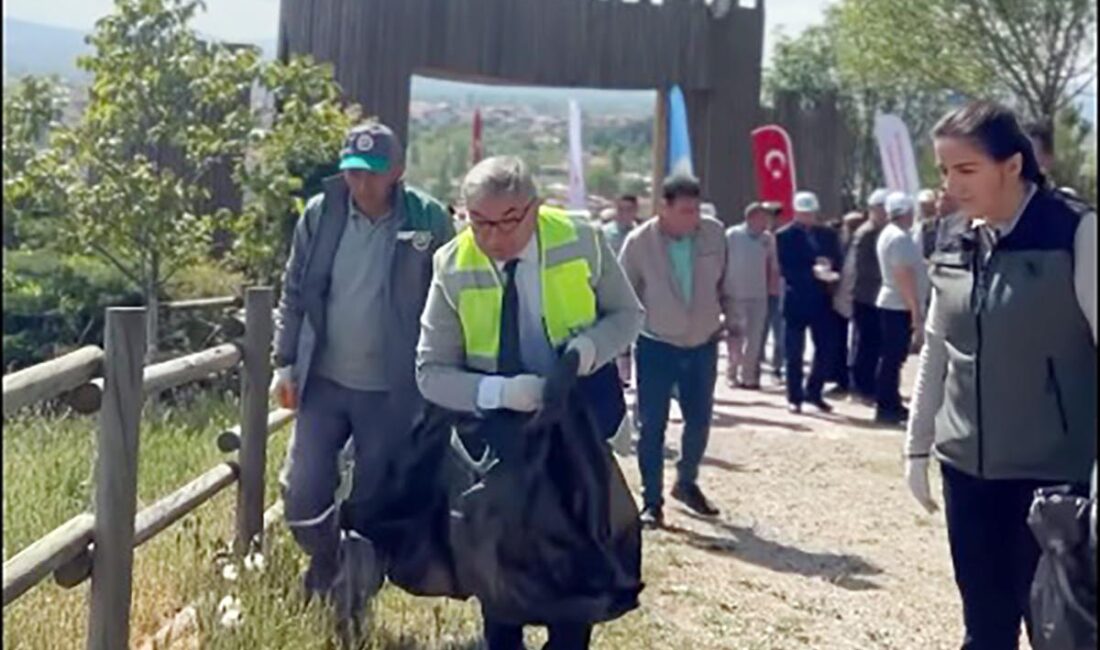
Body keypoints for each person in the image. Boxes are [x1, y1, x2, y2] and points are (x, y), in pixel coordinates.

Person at [416, 155, 643, 650]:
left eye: (507, 221)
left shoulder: (581, 241)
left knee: (577, 565)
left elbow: (627, 315)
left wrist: (586, 352)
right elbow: (430, 373)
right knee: (502, 579)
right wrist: (500, 392)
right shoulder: (452, 264)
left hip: (578, 428)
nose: (493, 236)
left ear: (535, 208)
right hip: (500, 439)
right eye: (479, 222)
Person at [904, 100, 1096, 649]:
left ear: (1013, 165)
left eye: (966, 170)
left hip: (1055, 480)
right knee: (984, 629)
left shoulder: (1075, 235)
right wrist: (918, 448)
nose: (951, 185)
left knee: (1058, 632)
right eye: (944, 171)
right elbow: (938, 349)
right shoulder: (951, 239)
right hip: (966, 470)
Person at [270, 122, 455, 619]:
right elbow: (293, 292)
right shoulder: (322, 214)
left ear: (398, 171)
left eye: (373, 174)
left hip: (393, 392)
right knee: (302, 493)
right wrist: (283, 362)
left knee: (374, 501)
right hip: (324, 381)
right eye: (352, 172)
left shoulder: (429, 219)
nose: (362, 184)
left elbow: (455, 299)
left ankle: (350, 605)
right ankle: (330, 558)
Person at [619, 173, 737, 528]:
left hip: (702, 342)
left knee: (699, 419)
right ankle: (651, 501)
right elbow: (625, 294)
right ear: (663, 208)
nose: (693, 218)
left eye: (696, 209)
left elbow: (726, 282)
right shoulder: (640, 243)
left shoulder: (714, 234)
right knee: (652, 425)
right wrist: (623, 345)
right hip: (657, 345)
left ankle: (686, 482)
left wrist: (732, 321)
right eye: (685, 211)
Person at [774, 191, 837, 414]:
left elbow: (836, 258)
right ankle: (795, 396)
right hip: (796, 300)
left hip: (821, 300)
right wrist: (812, 273)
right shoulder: (784, 236)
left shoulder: (827, 234)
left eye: (811, 213)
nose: (808, 218)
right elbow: (786, 269)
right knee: (794, 352)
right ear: (796, 212)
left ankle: (814, 392)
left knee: (824, 349)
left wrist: (831, 271)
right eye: (804, 213)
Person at [873, 192, 922, 425]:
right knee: (893, 357)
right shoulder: (900, 238)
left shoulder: (890, 234)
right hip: (898, 304)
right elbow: (904, 275)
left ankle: (890, 401)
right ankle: (886, 405)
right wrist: (915, 311)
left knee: (893, 357)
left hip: (893, 302)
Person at [723, 202, 773, 389]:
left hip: (759, 295)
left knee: (755, 338)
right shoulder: (732, 235)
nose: (765, 222)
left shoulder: (767, 239)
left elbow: (772, 265)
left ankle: (749, 376)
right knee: (736, 337)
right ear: (750, 217)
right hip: (735, 294)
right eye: (762, 218)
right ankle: (732, 373)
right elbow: (722, 261)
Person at [846, 188, 889, 404]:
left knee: (874, 344)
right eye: (883, 209)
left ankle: (869, 386)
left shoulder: (884, 232)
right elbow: (862, 267)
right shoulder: (866, 234)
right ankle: (860, 388)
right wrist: (889, 272)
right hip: (865, 296)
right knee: (864, 344)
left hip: (877, 296)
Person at [604, 194, 640, 385]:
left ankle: (628, 375)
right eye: (621, 209)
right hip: (610, 290)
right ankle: (619, 376)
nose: (625, 214)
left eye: (629, 209)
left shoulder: (641, 234)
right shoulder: (604, 234)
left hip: (637, 291)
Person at [760, 202, 786, 384]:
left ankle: (777, 368)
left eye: (774, 215)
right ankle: (755, 364)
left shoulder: (784, 236)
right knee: (759, 331)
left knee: (780, 331)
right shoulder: (757, 237)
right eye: (768, 215)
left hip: (779, 290)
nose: (771, 219)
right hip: (759, 290)